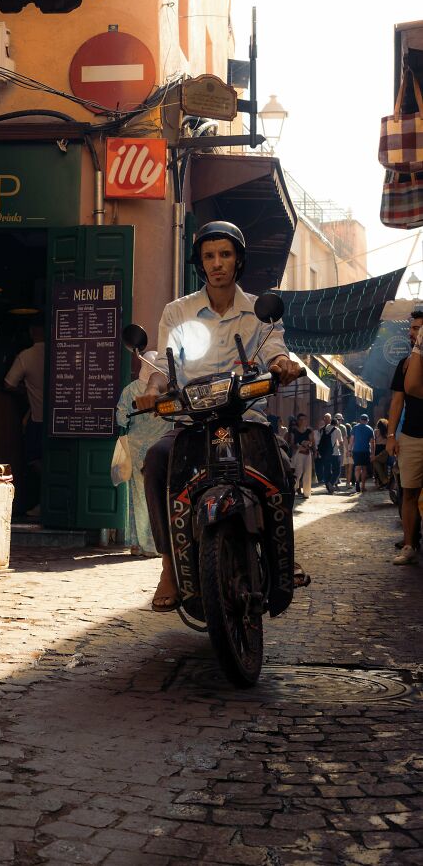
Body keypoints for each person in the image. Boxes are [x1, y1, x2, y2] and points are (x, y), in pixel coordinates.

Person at [135, 221, 303, 611]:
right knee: (157, 461)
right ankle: (168, 566)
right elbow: (164, 363)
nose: (217, 263)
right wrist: (151, 390)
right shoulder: (177, 311)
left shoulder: (259, 310)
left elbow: (275, 349)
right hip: (192, 421)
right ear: (201, 263)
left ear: (238, 260)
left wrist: (283, 364)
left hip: (246, 416)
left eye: (225, 254)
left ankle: (282, 552)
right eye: (209, 256)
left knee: (279, 461)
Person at [116, 351, 170, 557]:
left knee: (137, 498)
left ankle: (137, 544)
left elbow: (121, 419)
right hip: (161, 450)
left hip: (137, 450)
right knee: (158, 496)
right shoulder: (166, 390)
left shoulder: (131, 390)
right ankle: (154, 545)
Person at [390, 310, 423, 564]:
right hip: (411, 436)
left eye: (418, 328)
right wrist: (391, 435)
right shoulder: (403, 364)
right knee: (408, 493)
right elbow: (398, 400)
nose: (413, 333)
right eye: (412, 329)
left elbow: (413, 388)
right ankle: (410, 545)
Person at [4, 319, 45, 518]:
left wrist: (26, 391)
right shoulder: (63, 351)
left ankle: (46, 501)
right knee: (52, 461)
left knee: (36, 461)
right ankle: (47, 502)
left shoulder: (27, 356)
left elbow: (9, 383)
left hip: (38, 418)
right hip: (64, 418)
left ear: (32, 331)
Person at [314, 413, 343, 494]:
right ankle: (331, 483)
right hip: (335, 453)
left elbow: (319, 441)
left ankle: (328, 486)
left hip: (325, 453)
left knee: (327, 470)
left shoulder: (323, 429)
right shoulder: (337, 430)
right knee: (337, 470)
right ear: (337, 423)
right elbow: (340, 442)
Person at [289, 412, 314, 498]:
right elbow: (291, 443)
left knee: (307, 473)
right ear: (298, 421)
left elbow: (312, 442)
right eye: (301, 420)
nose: (303, 421)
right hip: (298, 453)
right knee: (298, 473)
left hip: (307, 454)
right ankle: (293, 490)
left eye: (304, 419)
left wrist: (308, 444)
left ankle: (306, 493)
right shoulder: (294, 430)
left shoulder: (309, 430)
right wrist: (298, 446)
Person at [350, 414, 375, 493]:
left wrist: (349, 450)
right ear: (367, 420)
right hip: (365, 451)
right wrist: (373, 453)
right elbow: (372, 442)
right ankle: (363, 486)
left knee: (357, 467)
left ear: (360, 420)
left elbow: (352, 440)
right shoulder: (370, 429)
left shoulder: (355, 428)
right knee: (364, 468)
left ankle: (357, 481)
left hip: (356, 450)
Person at [372, 418, 390, 488]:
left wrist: (372, 453)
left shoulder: (375, 431)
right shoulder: (387, 431)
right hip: (385, 449)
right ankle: (384, 482)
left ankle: (381, 481)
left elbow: (373, 441)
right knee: (384, 466)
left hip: (377, 449)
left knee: (376, 466)